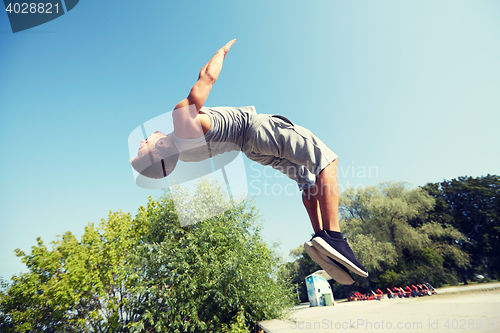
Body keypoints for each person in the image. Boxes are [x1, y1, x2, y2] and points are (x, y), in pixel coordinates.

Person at [129, 39, 368, 283]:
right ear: (159, 146)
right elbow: (207, 78)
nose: (144, 140)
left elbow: (173, 160)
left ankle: (320, 237)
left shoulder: (186, 156)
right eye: (145, 142)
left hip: (253, 151)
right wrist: (221, 52)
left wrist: (153, 163)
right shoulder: (182, 123)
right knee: (326, 161)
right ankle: (334, 237)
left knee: (305, 180)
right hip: (256, 130)